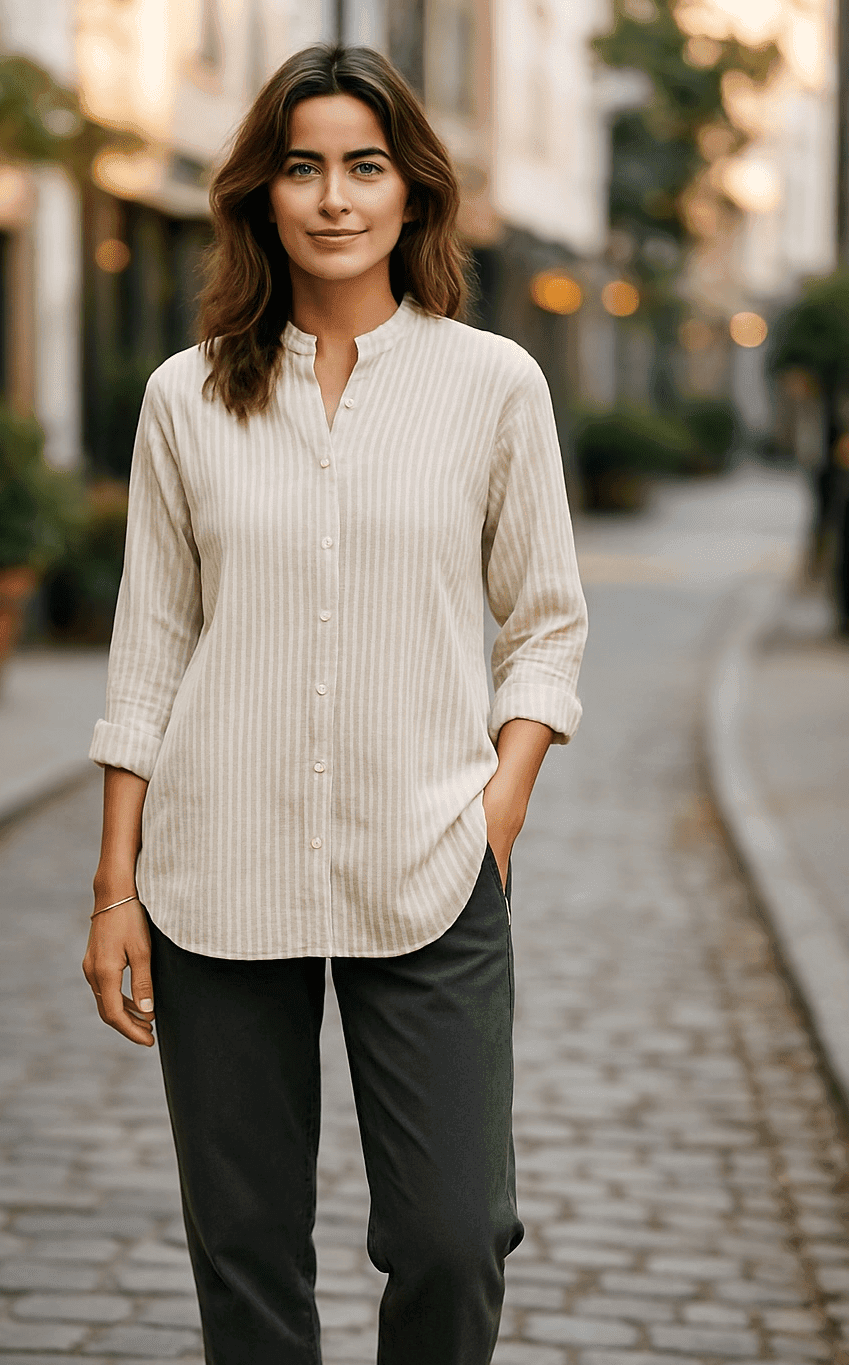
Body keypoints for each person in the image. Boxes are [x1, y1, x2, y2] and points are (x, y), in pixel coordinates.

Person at [83, 42, 587, 1365]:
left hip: (430, 858)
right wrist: (114, 890)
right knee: (245, 1252)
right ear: (261, 194)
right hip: (217, 866)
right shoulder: (185, 399)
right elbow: (150, 648)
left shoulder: (493, 386)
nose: (333, 196)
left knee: (453, 1234)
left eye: (364, 165)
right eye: (301, 167)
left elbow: (547, 622)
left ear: (412, 193)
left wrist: (501, 808)